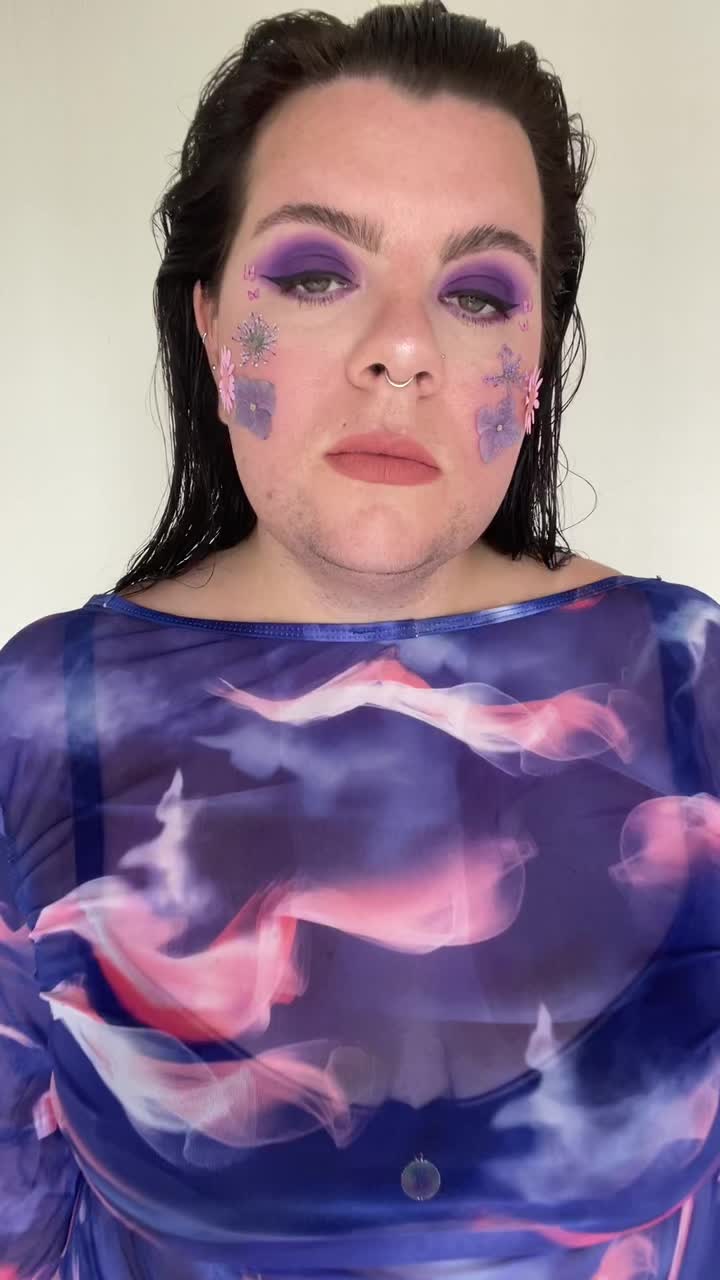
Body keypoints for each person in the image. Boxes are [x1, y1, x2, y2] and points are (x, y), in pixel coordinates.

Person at [1, 1, 718, 1276]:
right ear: (211, 323)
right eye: (318, 275)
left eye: (477, 293)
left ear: (535, 363)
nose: (402, 350)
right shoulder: (41, 718)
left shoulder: (691, 685)